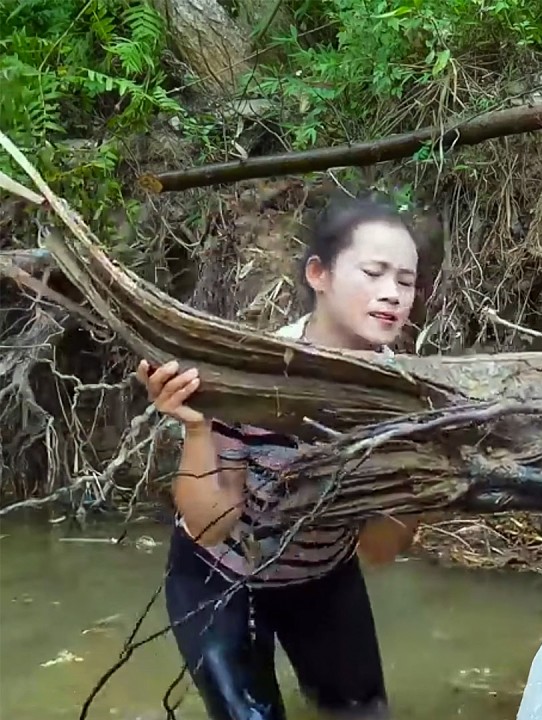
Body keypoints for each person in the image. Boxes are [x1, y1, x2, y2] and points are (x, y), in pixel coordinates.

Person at [138, 197, 430, 720]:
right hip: (220, 575)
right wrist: (200, 424)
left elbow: (382, 549)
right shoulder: (254, 374)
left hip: (322, 574)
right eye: (374, 273)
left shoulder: (409, 396)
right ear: (318, 274)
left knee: (363, 715)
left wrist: (412, 460)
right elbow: (210, 527)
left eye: (405, 281)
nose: (392, 294)